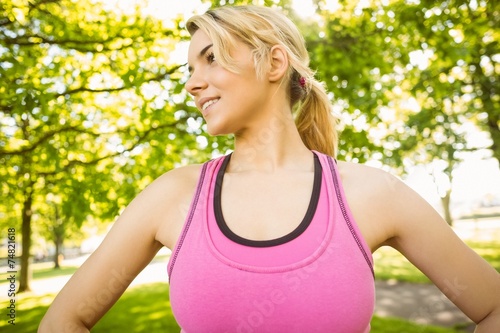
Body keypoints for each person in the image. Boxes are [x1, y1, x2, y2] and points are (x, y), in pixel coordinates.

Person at [39, 5, 500, 333]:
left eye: (211, 58)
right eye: (188, 68)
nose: (191, 84)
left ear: (274, 62)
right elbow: (63, 321)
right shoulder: (171, 197)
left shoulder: (371, 193)